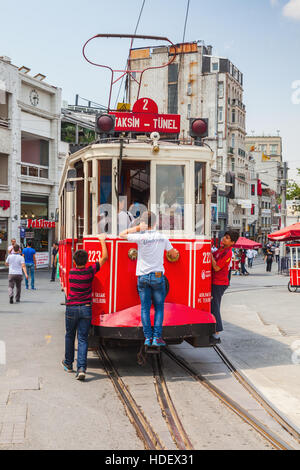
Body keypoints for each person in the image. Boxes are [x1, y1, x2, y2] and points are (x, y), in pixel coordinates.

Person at [120, 211, 178, 347]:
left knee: (145, 309)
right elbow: (173, 252)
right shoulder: (162, 237)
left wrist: (138, 228)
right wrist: (173, 252)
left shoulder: (141, 237)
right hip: (158, 276)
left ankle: (147, 338)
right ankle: (157, 338)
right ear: (156, 223)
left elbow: (122, 234)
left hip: (143, 276)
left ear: (144, 223)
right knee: (159, 308)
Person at [62, 235, 108, 381]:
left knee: (70, 335)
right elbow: (105, 258)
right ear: (88, 261)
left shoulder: (71, 273)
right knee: (82, 338)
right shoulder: (90, 272)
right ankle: (81, 368)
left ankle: (68, 364)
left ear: (74, 262)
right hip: (86, 308)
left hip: (71, 308)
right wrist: (102, 240)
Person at [211, 230, 239, 342]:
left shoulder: (228, 252)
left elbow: (217, 267)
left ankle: (217, 334)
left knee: (215, 306)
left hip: (219, 283)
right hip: (214, 281)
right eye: (224, 237)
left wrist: (210, 256)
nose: (224, 239)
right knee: (213, 305)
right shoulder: (221, 249)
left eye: (227, 238)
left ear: (232, 242)